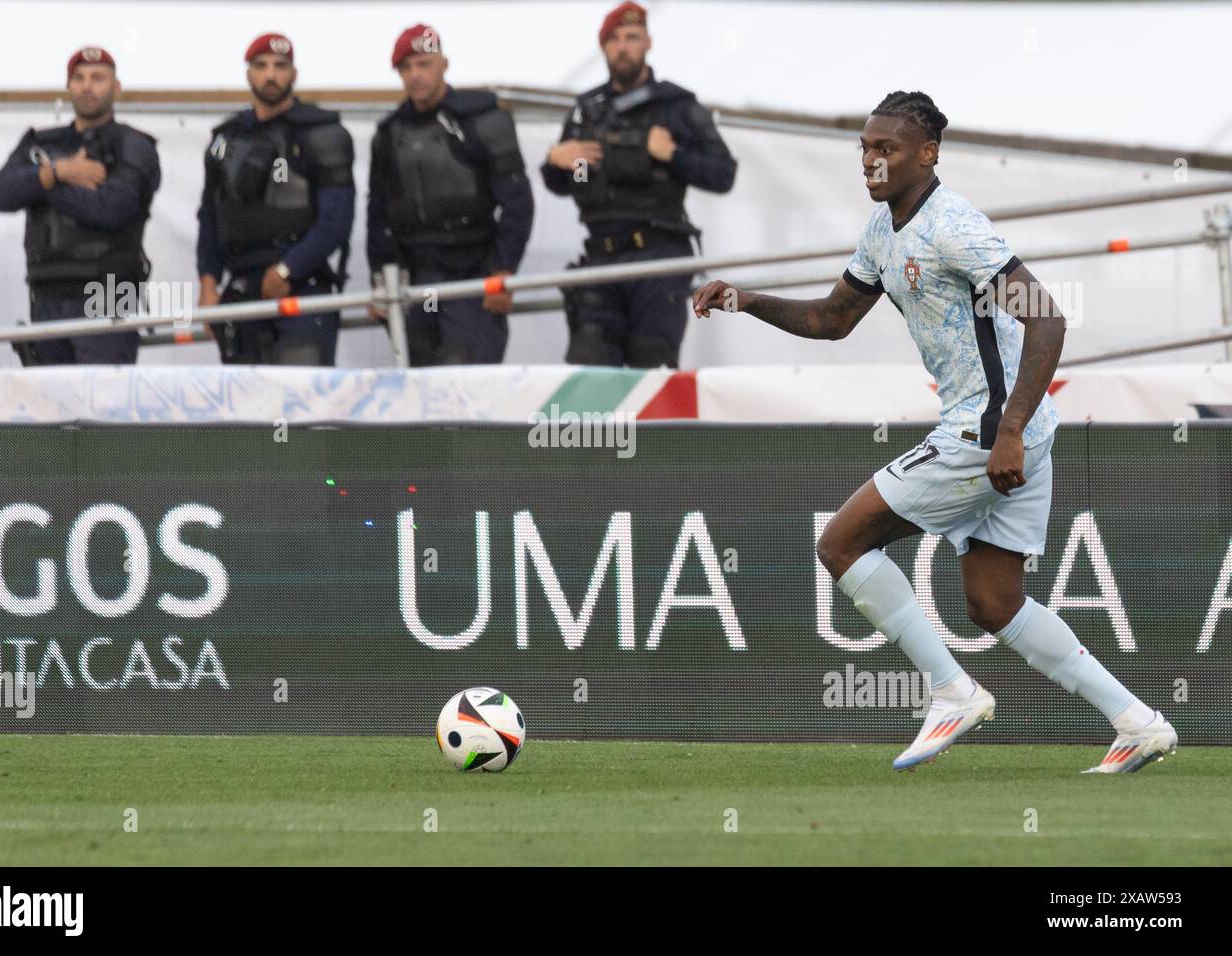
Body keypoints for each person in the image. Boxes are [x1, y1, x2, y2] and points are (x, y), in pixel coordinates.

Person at [693, 91, 1175, 774]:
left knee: (840, 542)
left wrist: (1005, 430)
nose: (871, 161)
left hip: (992, 427)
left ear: (928, 153)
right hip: (1019, 429)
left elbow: (1049, 319)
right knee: (994, 602)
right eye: (864, 147)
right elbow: (832, 320)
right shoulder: (882, 230)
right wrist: (746, 300)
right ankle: (1138, 722)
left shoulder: (955, 225)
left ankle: (952, 691)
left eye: (885, 148)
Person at [541, 1, 736, 368]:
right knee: (592, 375)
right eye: (614, 39)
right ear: (603, 47)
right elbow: (562, 185)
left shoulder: (675, 104)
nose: (622, 46)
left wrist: (672, 155)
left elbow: (723, 174)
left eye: (632, 37)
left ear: (647, 42)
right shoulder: (586, 109)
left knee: (652, 372)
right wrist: (556, 161)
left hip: (657, 258)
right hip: (600, 259)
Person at [367, 24, 533, 366]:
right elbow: (378, 214)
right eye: (407, 67)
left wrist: (504, 269)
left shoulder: (483, 119)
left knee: (463, 378)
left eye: (424, 64)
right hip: (416, 284)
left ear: (444, 64)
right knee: (420, 385)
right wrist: (381, 279)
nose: (415, 75)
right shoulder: (388, 133)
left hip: (471, 276)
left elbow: (517, 201)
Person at [0, 47, 159, 365]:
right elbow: (1, 194)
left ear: (116, 87)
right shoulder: (42, 143)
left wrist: (43, 185)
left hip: (107, 294)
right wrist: (59, 172)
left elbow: (113, 209)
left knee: (102, 408)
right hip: (46, 293)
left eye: (98, 77)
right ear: (68, 87)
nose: (87, 86)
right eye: (78, 78)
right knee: (53, 410)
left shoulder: (133, 145)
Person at [197, 33, 355, 366]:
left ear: (294, 73)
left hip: (302, 286)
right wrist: (208, 285)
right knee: (245, 409)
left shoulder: (322, 133)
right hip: (240, 290)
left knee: (302, 403)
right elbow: (210, 216)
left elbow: (337, 221)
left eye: (280, 66)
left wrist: (287, 269)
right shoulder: (224, 139)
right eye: (261, 66)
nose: (271, 75)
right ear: (248, 74)